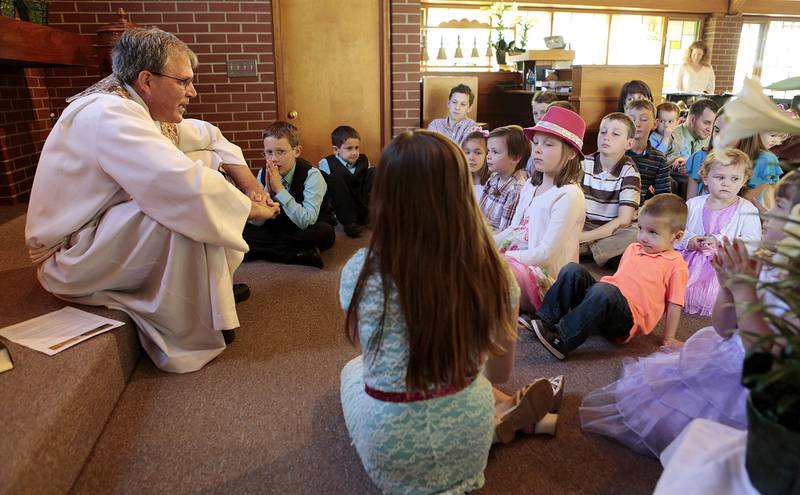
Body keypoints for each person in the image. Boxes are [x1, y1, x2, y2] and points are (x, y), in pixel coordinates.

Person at [24, 28, 280, 373]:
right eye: (184, 82)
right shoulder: (110, 115)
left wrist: (250, 185)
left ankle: (209, 298)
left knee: (203, 164)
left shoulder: (135, 106)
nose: (192, 91)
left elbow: (210, 137)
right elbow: (179, 186)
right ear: (146, 80)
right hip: (71, 255)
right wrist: (252, 208)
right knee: (181, 206)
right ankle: (186, 331)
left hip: (97, 232)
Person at [339, 130, 561, 494]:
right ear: (461, 192)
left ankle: (501, 419)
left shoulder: (359, 271)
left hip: (392, 448)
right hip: (468, 439)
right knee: (469, 375)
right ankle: (501, 417)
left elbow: (375, 353)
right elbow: (499, 371)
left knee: (352, 369)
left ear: (384, 194)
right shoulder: (497, 271)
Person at [580, 171, 800, 458]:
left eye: (779, 208)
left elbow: (766, 351)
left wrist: (744, 290)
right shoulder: (764, 265)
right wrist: (729, 285)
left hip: (760, 383)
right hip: (727, 352)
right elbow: (723, 327)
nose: (766, 214)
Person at [531, 194, 689, 360]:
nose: (643, 237)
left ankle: (562, 339)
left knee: (604, 291)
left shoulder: (676, 265)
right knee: (573, 270)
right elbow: (621, 280)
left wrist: (669, 338)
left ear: (676, 237)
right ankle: (544, 319)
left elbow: (675, 304)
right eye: (641, 228)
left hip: (626, 320)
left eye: (653, 233)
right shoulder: (633, 248)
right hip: (605, 301)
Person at [500, 106, 586, 319]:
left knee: (494, 273)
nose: (537, 149)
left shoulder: (569, 194)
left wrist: (501, 257)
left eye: (548, 144)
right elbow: (514, 228)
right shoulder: (530, 184)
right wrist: (485, 244)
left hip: (544, 277)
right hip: (519, 256)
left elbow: (546, 255)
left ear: (571, 152)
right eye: (536, 142)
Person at [676, 149, 761, 316]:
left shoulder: (747, 210)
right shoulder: (693, 204)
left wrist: (721, 242)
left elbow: (753, 241)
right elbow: (676, 231)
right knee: (671, 280)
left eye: (734, 179)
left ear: (744, 180)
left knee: (722, 295)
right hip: (689, 260)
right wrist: (690, 240)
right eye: (720, 177)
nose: (726, 183)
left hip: (723, 265)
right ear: (706, 178)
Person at [243, 121, 335, 269]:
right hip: (278, 226)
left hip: (305, 227)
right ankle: (298, 254)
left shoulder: (312, 175)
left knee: (325, 233)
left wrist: (280, 190)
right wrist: (267, 192)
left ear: (297, 151)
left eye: (280, 152)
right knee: (241, 229)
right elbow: (257, 221)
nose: (273, 159)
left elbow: (306, 221)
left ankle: (267, 249)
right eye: (269, 152)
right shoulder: (262, 173)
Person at [579, 112, 641, 267]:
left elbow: (623, 220)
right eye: (603, 131)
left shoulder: (630, 172)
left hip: (614, 228)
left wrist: (583, 238)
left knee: (636, 233)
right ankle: (601, 253)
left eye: (615, 134)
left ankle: (585, 250)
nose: (606, 137)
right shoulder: (583, 164)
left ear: (629, 143)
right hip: (585, 223)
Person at [318, 125, 373, 238]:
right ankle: (350, 223)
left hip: (360, 200)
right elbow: (325, 190)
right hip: (342, 202)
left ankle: (372, 215)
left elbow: (367, 185)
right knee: (335, 177)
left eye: (357, 148)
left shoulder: (363, 160)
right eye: (349, 148)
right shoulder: (327, 163)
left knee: (374, 172)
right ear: (336, 150)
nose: (354, 152)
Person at [478, 125, 530, 232]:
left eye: (495, 152)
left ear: (515, 158)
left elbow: (505, 232)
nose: (488, 156)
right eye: (488, 151)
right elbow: (478, 214)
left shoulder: (516, 190)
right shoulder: (493, 179)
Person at [626, 99, 671, 203]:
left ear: (655, 124)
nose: (636, 124)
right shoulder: (617, 152)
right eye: (631, 119)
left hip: (641, 212)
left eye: (644, 119)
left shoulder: (659, 159)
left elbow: (664, 197)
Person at [672, 98, 720, 195]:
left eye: (713, 124)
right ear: (693, 119)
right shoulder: (671, 135)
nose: (710, 129)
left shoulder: (712, 140)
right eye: (706, 123)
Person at [649, 101, 688, 166]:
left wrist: (682, 159)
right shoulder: (653, 137)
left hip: (677, 169)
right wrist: (666, 138)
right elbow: (657, 157)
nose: (666, 125)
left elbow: (686, 155)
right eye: (662, 121)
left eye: (670, 121)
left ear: (677, 122)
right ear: (656, 121)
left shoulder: (680, 138)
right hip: (661, 170)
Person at [462, 129, 490, 200]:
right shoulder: (457, 181)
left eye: (478, 153)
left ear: (487, 154)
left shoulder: (492, 184)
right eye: (467, 152)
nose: (471, 158)